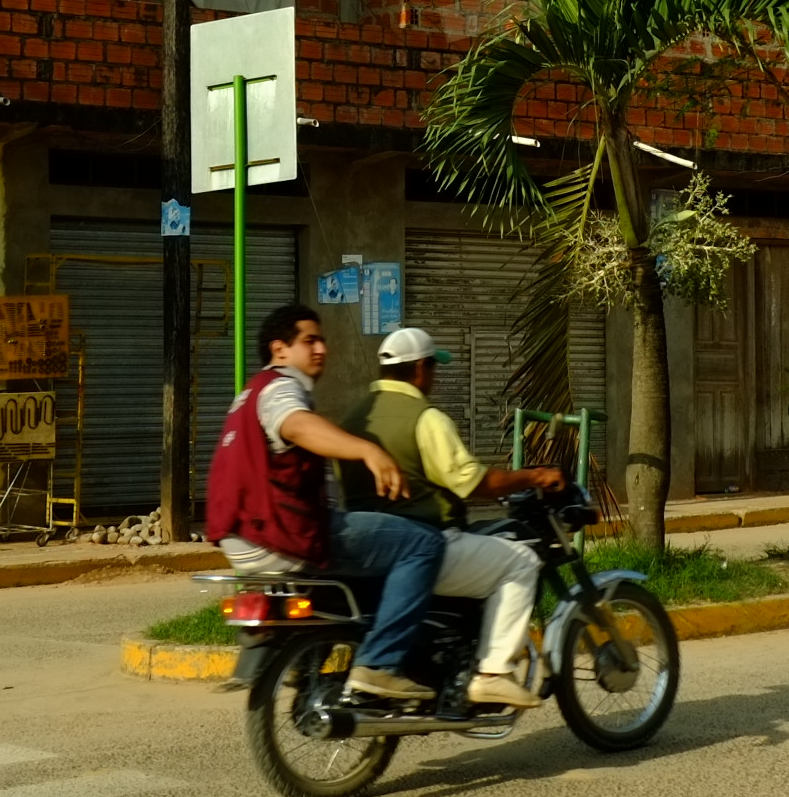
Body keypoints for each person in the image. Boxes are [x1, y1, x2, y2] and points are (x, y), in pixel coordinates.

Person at [206, 303, 445, 702]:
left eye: (322, 341)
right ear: (279, 349)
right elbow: (297, 425)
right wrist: (367, 450)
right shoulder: (281, 388)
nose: (322, 349)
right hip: (283, 534)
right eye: (310, 341)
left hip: (244, 540)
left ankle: (318, 663)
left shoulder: (249, 393)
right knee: (423, 543)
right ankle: (381, 666)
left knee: (368, 569)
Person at [336, 326, 567, 710]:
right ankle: (493, 673)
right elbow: (473, 482)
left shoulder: (353, 419)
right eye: (433, 368)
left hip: (371, 548)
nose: (435, 378)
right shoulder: (426, 418)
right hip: (426, 543)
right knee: (521, 561)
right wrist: (536, 476)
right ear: (421, 369)